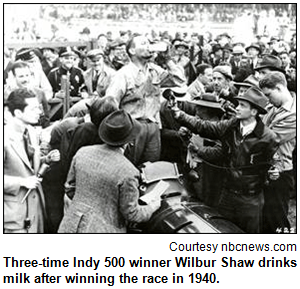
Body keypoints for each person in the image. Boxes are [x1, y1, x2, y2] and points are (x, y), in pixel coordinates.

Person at [172, 87, 279, 233]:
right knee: (222, 231)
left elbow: (272, 163)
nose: (237, 108)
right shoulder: (231, 125)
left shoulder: (268, 137)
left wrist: (274, 172)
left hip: (250, 199)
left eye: (242, 105)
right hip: (227, 194)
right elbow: (206, 127)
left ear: (254, 112)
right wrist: (180, 115)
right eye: (238, 104)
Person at [58, 110, 161, 233]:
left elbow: (70, 189)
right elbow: (132, 214)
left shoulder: (82, 152)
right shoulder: (128, 171)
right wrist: (152, 207)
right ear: (129, 141)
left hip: (70, 225)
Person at [105, 34, 186, 165]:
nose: (148, 47)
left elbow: (179, 80)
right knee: (130, 165)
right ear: (132, 51)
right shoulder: (123, 75)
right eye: (143, 43)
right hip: (132, 126)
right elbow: (110, 103)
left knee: (151, 169)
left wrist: (167, 59)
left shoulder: (155, 70)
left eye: (149, 43)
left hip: (152, 127)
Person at [4, 88, 59, 233]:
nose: (40, 112)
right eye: (33, 108)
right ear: (17, 113)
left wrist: (46, 159)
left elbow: (28, 166)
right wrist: (21, 182)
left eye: (39, 107)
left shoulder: (32, 132)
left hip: (36, 211)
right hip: (13, 218)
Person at [259, 71, 296, 233]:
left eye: (269, 94)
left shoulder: (294, 114)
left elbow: (269, 138)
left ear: (280, 88)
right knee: (265, 219)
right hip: (267, 168)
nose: (268, 99)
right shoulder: (273, 107)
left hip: (280, 173)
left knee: (277, 222)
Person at [5, 61, 50, 128]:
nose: (25, 79)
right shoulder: (6, 94)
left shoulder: (39, 93)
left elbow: (46, 118)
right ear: (14, 77)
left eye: (27, 75)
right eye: (21, 76)